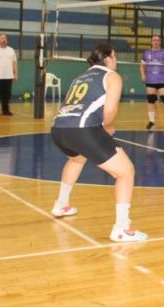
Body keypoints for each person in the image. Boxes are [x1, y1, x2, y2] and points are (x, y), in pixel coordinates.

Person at [49, 43, 147, 242]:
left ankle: (61, 204)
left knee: (76, 159)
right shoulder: (112, 76)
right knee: (125, 172)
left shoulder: (80, 77)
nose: (116, 61)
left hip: (58, 129)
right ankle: (121, 228)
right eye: (115, 56)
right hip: (82, 130)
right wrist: (105, 127)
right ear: (108, 59)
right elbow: (109, 112)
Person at [139, 34, 164, 130]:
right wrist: (143, 75)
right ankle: (152, 121)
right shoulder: (146, 53)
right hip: (150, 80)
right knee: (151, 100)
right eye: (154, 40)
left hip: (162, 79)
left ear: (160, 42)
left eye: (157, 40)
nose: (156, 42)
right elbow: (142, 65)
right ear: (151, 42)